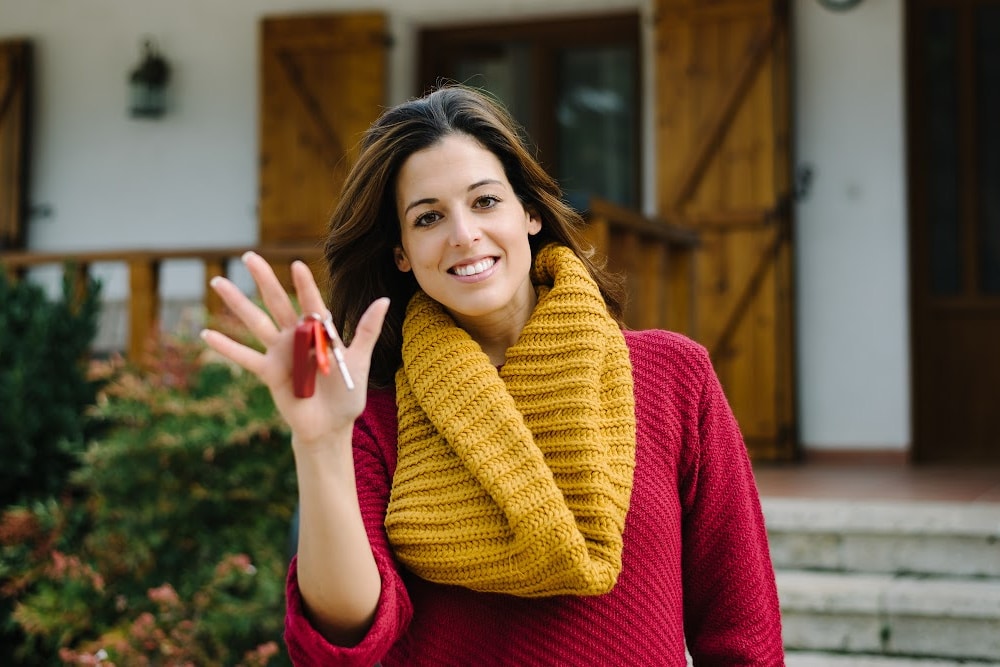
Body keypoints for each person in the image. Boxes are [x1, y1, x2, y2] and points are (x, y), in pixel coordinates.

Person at [201, 84, 784, 666]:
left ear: (529, 212)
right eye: (428, 217)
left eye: (484, 202)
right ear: (401, 251)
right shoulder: (373, 416)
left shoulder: (674, 377)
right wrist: (319, 442)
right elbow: (345, 636)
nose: (463, 234)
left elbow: (743, 632)